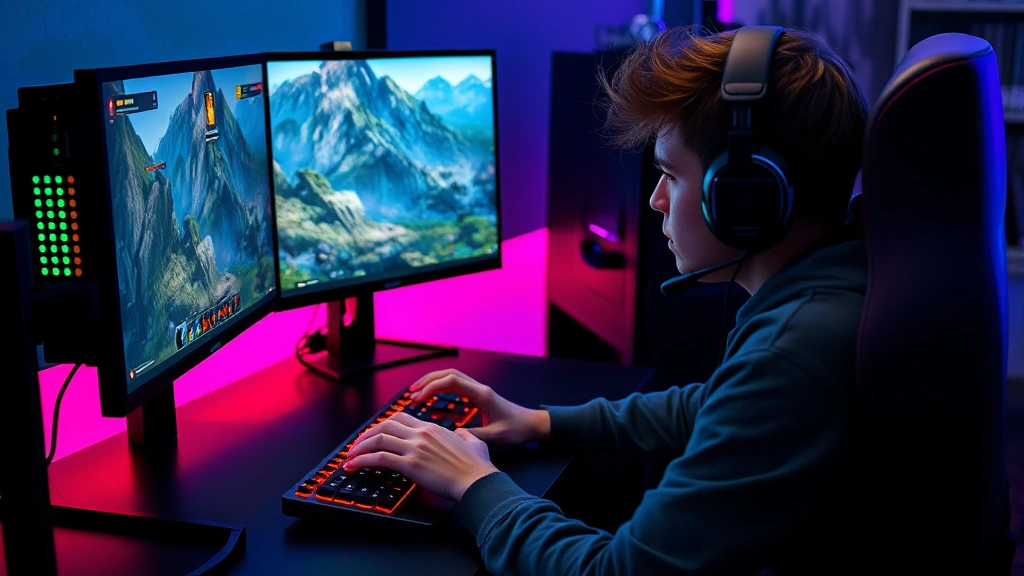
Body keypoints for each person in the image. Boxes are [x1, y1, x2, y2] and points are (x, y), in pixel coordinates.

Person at [345, 25, 870, 575]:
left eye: (669, 173)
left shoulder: (789, 354)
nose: (654, 199)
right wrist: (541, 421)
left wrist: (475, 483)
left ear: (744, 196)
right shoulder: (831, 292)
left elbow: (616, 571)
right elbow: (718, 406)